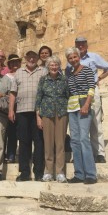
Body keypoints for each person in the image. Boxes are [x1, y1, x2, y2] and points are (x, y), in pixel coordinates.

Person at [67, 37, 108, 163]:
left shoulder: (93, 57)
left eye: (83, 44)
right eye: (78, 44)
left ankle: (99, 153)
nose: (81, 46)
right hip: (76, 95)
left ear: (86, 45)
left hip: (91, 92)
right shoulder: (70, 59)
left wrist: (98, 79)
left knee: (95, 122)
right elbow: (67, 76)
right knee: (78, 125)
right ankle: (80, 153)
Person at [8, 50, 46, 181]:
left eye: (34, 57)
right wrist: (11, 110)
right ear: (25, 58)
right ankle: (24, 172)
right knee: (24, 142)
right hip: (22, 112)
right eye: (29, 57)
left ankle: (39, 172)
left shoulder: (43, 71)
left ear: (37, 58)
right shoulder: (19, 73)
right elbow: (13, 93)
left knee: (39, 142)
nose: (31, 59)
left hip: (38, 112)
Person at [65, 47, 97, 184]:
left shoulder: (87, 70)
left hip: (84, 105)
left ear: (79, 57)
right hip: (72, 107)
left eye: (75, 57)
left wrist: (86, 105)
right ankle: (79, 174)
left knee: (84, 138)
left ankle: (90, 174)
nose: (73, 60)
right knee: (75, 140)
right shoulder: (70, 74)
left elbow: (91, 87)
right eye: (70, 58)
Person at [35, 55, 69, 183]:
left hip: (61, 113)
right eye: (51, 65)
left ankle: (60, 172)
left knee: (60, 143)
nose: (54, 67)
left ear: (59, 66)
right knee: (48, 143)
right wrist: (38, 117)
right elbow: (38, 98)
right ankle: (48, 171)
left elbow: (67, 95)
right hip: (47, 113)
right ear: (47, 67)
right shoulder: (43, 80)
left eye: (56, 65)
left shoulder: (64, 79)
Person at [4, 54, 22, 163]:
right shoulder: (6, 77)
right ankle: (11, 154)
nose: (15, 64)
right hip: (12, 106)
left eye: (17, 62)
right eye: (12, 62)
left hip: (23, 106)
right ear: (10, 64)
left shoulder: (23, 73)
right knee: (11, 132)